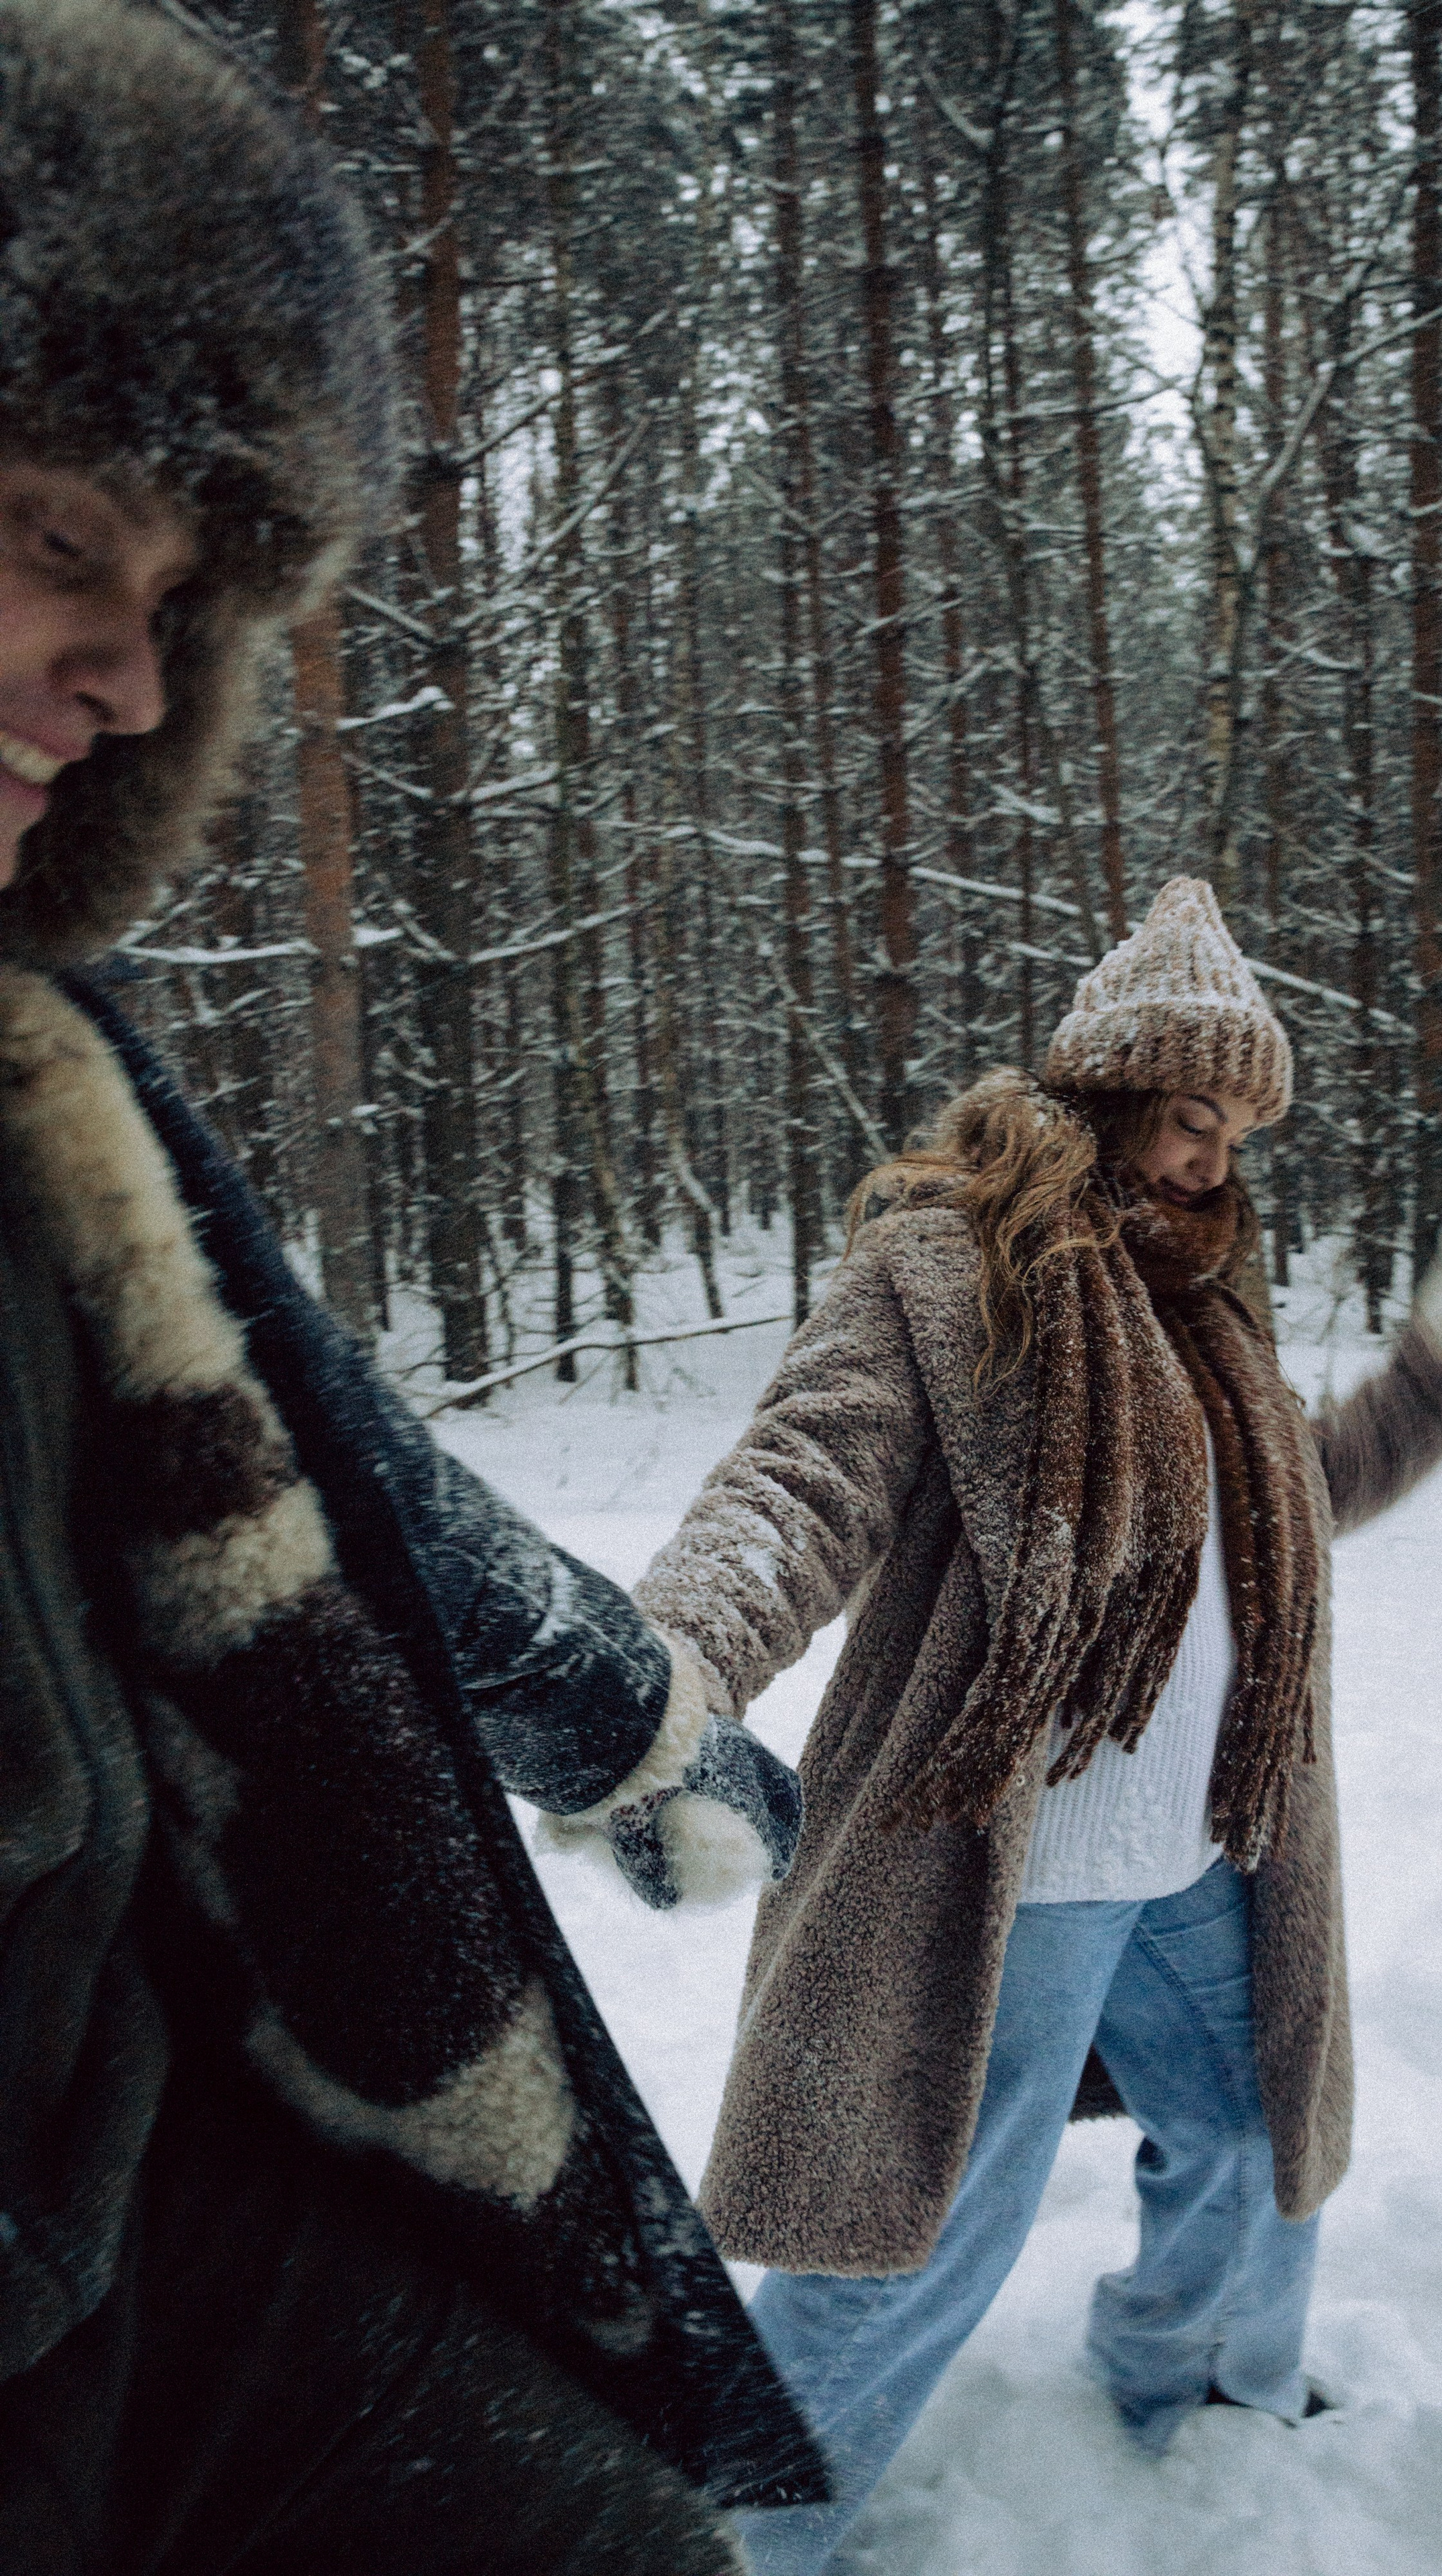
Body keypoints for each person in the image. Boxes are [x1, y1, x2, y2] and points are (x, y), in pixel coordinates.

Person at [0, 7, 822, 2569]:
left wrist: (648, 1723)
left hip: (131, 2258)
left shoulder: (39, 1108)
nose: (127, 675)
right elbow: (847, 1445)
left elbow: (340, 1487)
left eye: (168, 603)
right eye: (51, 538)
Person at [633, 875, 1442, 2571]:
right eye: (1185, 1112)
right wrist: (667, 1680)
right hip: (1019, 1845)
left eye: (1233, 1126)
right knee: (922, 2220)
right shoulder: (951, 1269)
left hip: (1212, 1843)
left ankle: (1197, 2393)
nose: (1208, 1156)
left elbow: (1299, 1494)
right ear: (1102, 1094)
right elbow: (803, 1479)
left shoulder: (1207, 1317)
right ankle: (737, 2531)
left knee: (1248, 2134)